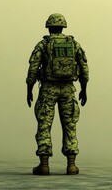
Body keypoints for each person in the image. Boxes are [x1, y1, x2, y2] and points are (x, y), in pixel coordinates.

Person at [26, 13, 89, 175]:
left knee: (44, 123)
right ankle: (72, 165)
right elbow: (84, 67)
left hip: (48, 88)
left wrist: (29, 88)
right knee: (70, 124)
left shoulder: (43, 45)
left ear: (48, 28)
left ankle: (44, 164)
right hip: (68, 88)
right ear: (63, 27)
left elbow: (33, 67)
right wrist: (84, 88)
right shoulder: (73, 44)